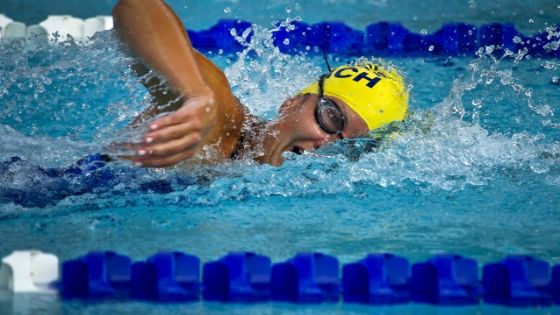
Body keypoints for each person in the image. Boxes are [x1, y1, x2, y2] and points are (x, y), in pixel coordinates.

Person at [112, 0, 409, 167]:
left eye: (349, 145)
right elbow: (137, 10)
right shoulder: (220, 124)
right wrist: (195, 95)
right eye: (330, 118)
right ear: (292, 102)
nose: (324, 144)